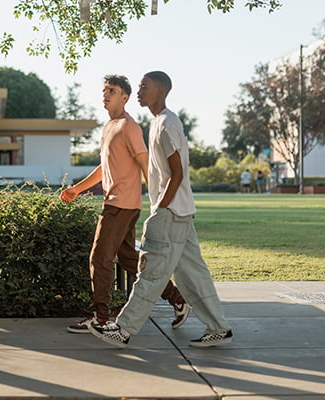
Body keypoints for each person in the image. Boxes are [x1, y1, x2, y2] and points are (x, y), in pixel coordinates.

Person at [89, 71, 233, 348]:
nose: (140, 90)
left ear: (161, 91)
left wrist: (159, 209)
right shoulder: (157, 123)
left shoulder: (167, 124)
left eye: (145, 85)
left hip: (170, 213)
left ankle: (124, 329)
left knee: (151, 274)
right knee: (193, 276)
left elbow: (177, 174)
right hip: (181, 212)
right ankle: (219, 328)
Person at [60, 74, 190, 334]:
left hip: (121, 205)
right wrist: (77, 189)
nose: (105, 94)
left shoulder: (129, 127)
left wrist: (156, 201)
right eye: (104, 90)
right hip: (118, 203)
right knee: (130, 261)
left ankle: (100, 317)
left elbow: (145, 163)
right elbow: (104, 167)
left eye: (112, 90)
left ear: (125, 97)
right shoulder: (110, 127)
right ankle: (177, 299)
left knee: (99, 258)